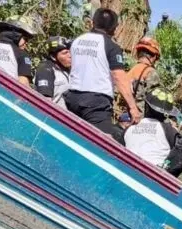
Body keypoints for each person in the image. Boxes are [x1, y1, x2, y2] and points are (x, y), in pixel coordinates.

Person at [65, 8, 141, 143]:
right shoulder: (111, 46)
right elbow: (119, 77)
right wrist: (132, 107)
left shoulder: (77, 41)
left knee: (73, 138)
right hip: (96, 103)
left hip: (72, 98)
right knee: (102, 144)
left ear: (93, 22)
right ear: (114, 28)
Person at [125, 88, 180, 167]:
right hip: (155, 173)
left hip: (128, 169)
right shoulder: (169, 130)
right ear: (167, 113)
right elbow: (179, 153)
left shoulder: (129, 129)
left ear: (146, 106)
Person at [0, 15, 37, 86]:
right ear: (17, 35)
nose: (26, 43)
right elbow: (23, 84)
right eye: (26, 39)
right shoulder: (22, 55)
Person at [33, 36, 72, 108]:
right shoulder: (45, 70)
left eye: (70, 52)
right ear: (53, 57)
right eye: (65, 53)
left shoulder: (67, 68)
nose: (70, 56)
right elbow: (45, 102)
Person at [128, 37, 162, 108]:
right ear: (154, 57)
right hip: (142, 116)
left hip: (128, 114)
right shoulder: (150, 72)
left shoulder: (131, 71)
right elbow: (156, 102)